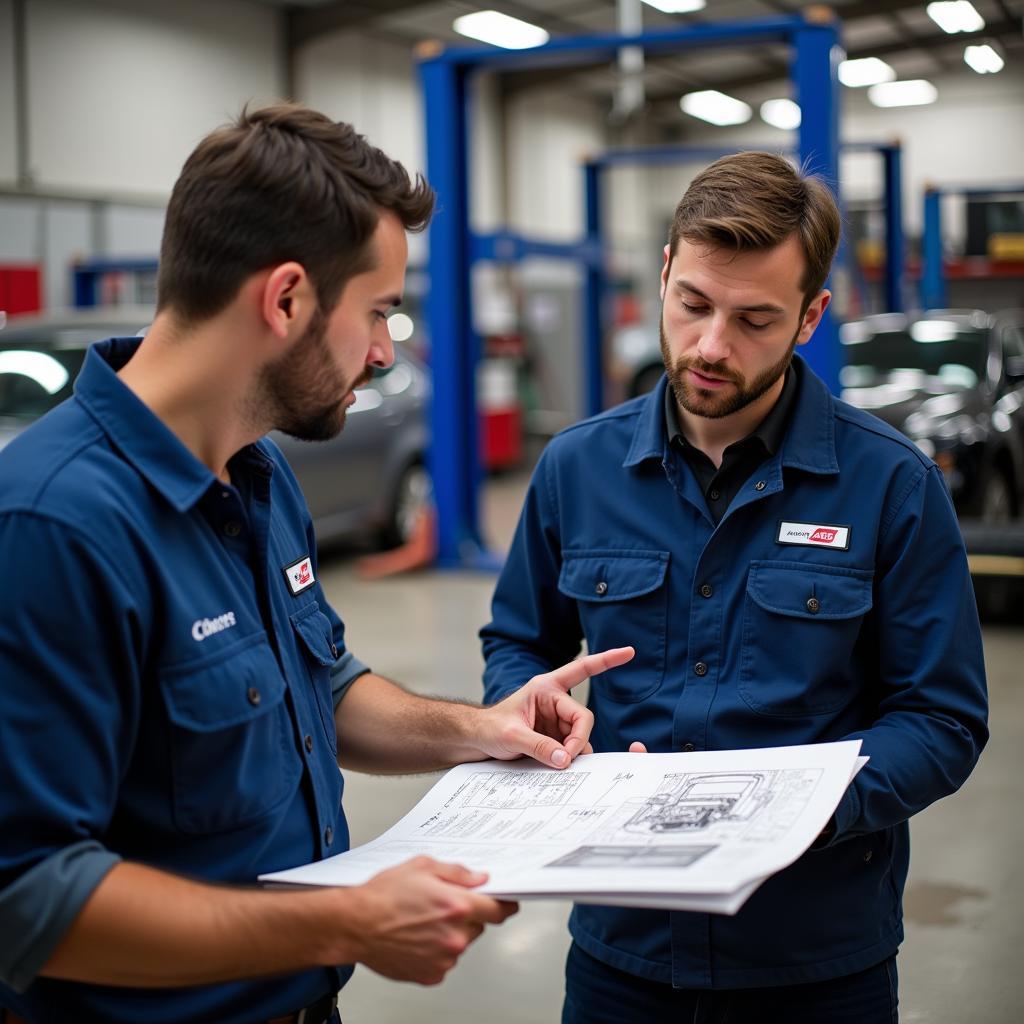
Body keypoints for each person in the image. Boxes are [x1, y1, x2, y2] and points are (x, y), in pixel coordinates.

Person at [0, 103, 634, 1024]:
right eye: (377, 312)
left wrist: (483, 729)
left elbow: (322, 688)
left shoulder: (255, 475)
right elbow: (26, 898)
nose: (383, 352)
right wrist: (338, 924)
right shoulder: (52, 524)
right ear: (286, 298)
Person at [480, 151, 988, 1023]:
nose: (713, 346)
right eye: (694, 306)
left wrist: (797, 812)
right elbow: (518, 643)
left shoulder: (892, 486)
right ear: (667, 271)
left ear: (810, 315)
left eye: (755, 319)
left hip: (815, 963)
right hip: (622, 953)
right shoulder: (577, 468)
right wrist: (536, 726)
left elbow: (942, 718)